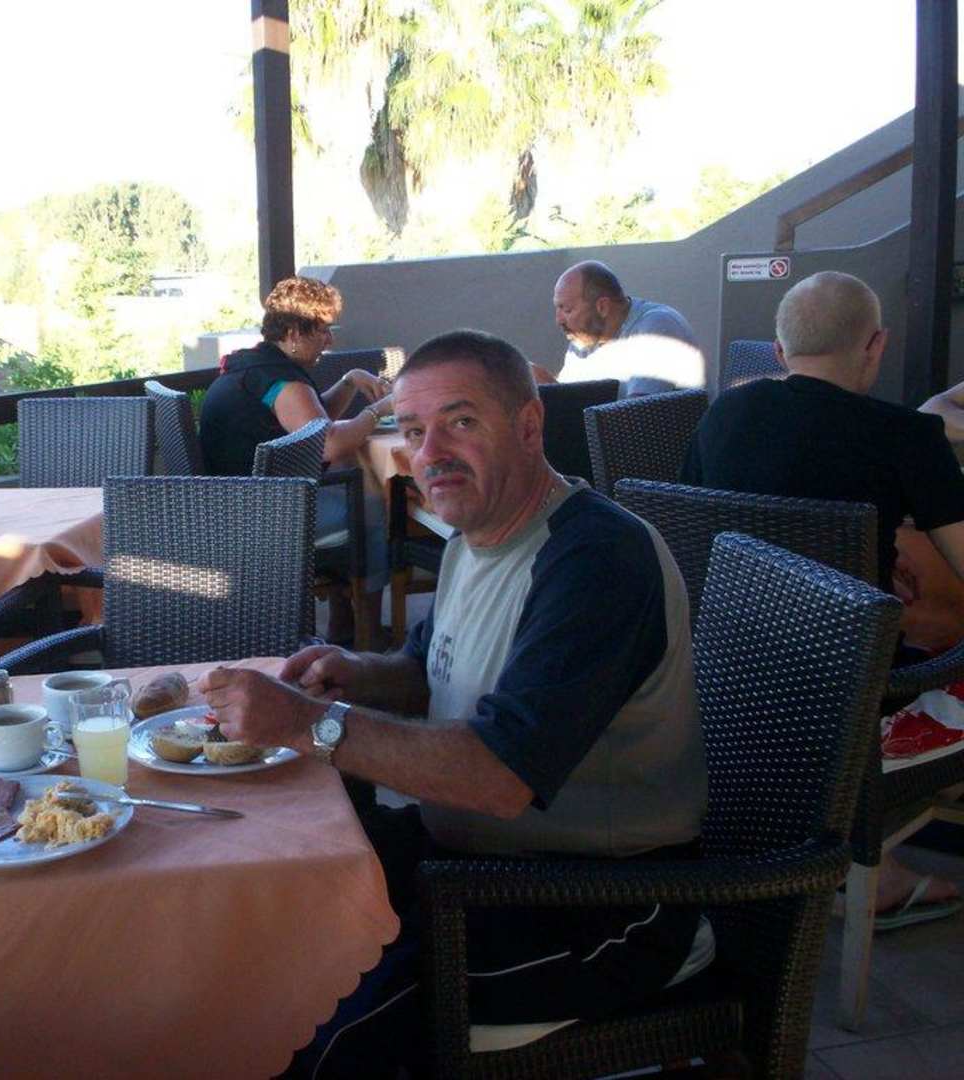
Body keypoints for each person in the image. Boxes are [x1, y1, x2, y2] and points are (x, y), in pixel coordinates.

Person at [202, 329, 708, 1077]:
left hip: (604, 902)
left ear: (529, 425)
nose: (430, 452)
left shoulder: (596, 559)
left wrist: (310, 724)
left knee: (325, 1028)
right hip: (470, 864)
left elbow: (500, 775)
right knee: (264, 909)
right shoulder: (478, 529)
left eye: (461, 422)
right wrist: (352, 673)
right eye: (412, 431)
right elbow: (424, 667)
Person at [681, 269, 964, 928]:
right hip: (855, 698)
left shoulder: (723, 415)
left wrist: (876, 554)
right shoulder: (906, 435)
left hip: (725, 683)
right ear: (876, 345)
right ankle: (870, 858)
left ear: (780, 352)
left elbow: (710, 533)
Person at [198, 276, 393, 644]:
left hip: (231, 507)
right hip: (267, 518)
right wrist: (380, 410)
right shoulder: (281, 380)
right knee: (371, 508)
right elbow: (327, 444)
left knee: (351, 488)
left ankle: (343, 625)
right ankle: (368, 635)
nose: (329, 341)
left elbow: (313, 423)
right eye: (322, 331)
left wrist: (350, 381)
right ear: (292, 332)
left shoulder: (254, 367)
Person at [540, 260, 704, 392]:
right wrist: (549, 388)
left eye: (567, 310)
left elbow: (638, 414)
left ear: (602, 307)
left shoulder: (656, 328)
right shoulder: (585, 337)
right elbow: (571, 400)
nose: (559, 320)